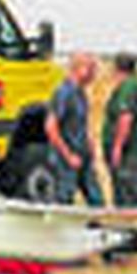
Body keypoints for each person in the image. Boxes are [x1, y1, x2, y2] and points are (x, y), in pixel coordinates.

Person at [44, 52, 104, 206]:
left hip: (82, 155)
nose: (94, 74)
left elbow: (81, 124)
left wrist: (89, 143)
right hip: (65, 159)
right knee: (64, 199)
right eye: (91, 69)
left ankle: (96, 227)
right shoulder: (64, 93)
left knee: (96, 199)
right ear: (79, 68)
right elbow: (51, 127)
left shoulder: (81, 93)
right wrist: (68, 155)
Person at [102, 53, 137, 208]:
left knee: (134, 194)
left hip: (132, 153)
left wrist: (117, 147)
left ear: (117, 69)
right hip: (136, 151)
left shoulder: (128, 87)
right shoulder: (134, 85)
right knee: (128, 192)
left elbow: (125, 118)